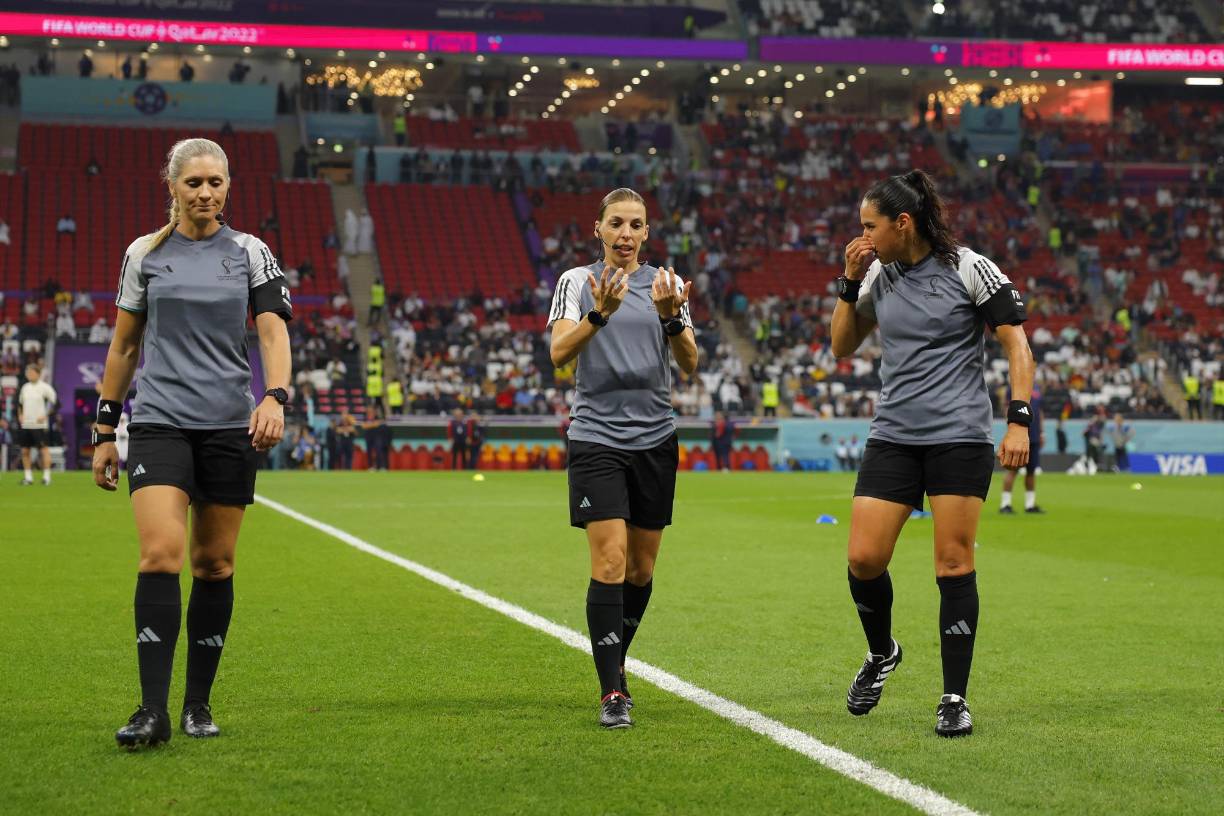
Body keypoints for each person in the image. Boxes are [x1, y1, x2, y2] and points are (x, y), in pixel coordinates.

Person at [91, 138, 293, 749]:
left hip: (229, 426)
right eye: (194, 183)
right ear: (172, 186)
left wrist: (275, 396)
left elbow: (272, 333)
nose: (205, 193)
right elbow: (124, 347)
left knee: (215, 564)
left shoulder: (252, 252)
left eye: (215, 182)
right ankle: (151, 710)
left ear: (228, 186)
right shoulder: (144, 253)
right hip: (159, 421)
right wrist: (105, 430)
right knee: (161, 554)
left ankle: (197, 704)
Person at [829, 169, 1033, 738]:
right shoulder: (877, 275)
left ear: (903, 223)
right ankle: (882, 652)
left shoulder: (969, 268)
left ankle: (953, 697)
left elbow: (1016, 343)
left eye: (870, 226)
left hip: (958, 437)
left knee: (953, 563)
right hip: (893, 434)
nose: (863, 237)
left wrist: (1018, 421)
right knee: (864, 559)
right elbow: (841, 345)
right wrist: (849, 281)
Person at [547, 187, 697, 729]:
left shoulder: (668, 285)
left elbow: (690, 364)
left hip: (655, 439)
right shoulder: (576, 282)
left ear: (647, 232)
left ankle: (616, 660)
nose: (626, 234)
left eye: (636, 224)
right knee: (610, 562)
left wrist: (672, 318)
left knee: (640, 569)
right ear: (598, 229)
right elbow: (559, 354)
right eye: (616, 223)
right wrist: (599, 315)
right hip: (597, 438)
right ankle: (612, 690)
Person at [999, 387, 1044, 514]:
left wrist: (1042, 432)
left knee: (1031, 471)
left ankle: (1030, 505)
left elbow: (1040, 412)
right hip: (1018, 436)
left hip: (1034, 437)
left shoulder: (1037, 388)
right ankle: (1005, 504)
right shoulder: (1014, 386)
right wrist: (1010, 428)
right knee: (1012, 470)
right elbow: (1007, 407)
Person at [17, 364, 57, 485]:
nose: (29, 375)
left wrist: (45, 415)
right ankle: (28, 477)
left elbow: (55, 403)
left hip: (39, 426)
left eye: (32, 372)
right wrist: (20, 415)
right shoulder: (25, 387)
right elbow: (20, 404)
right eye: (28, 373)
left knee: (44, 450)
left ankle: (46, 477)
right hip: (26, 425)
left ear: (38, 374)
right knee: (25, 451)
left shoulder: (45, 387)